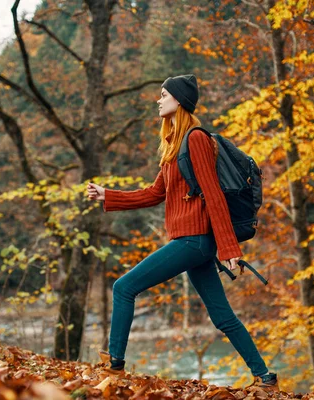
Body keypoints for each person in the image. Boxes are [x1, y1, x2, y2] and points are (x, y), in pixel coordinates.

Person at [87, 74, 278, 391]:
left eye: (163, 94)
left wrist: (230, 250)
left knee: (123, 287)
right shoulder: (173, 146)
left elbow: (214, 195)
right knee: (222, 316)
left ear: (179, 101)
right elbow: (153, 193)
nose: (158, 100)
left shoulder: (196, 139)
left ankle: (114, 367)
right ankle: (266, 377)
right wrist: (109, 195)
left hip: (195, 242)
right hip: (191, 243)